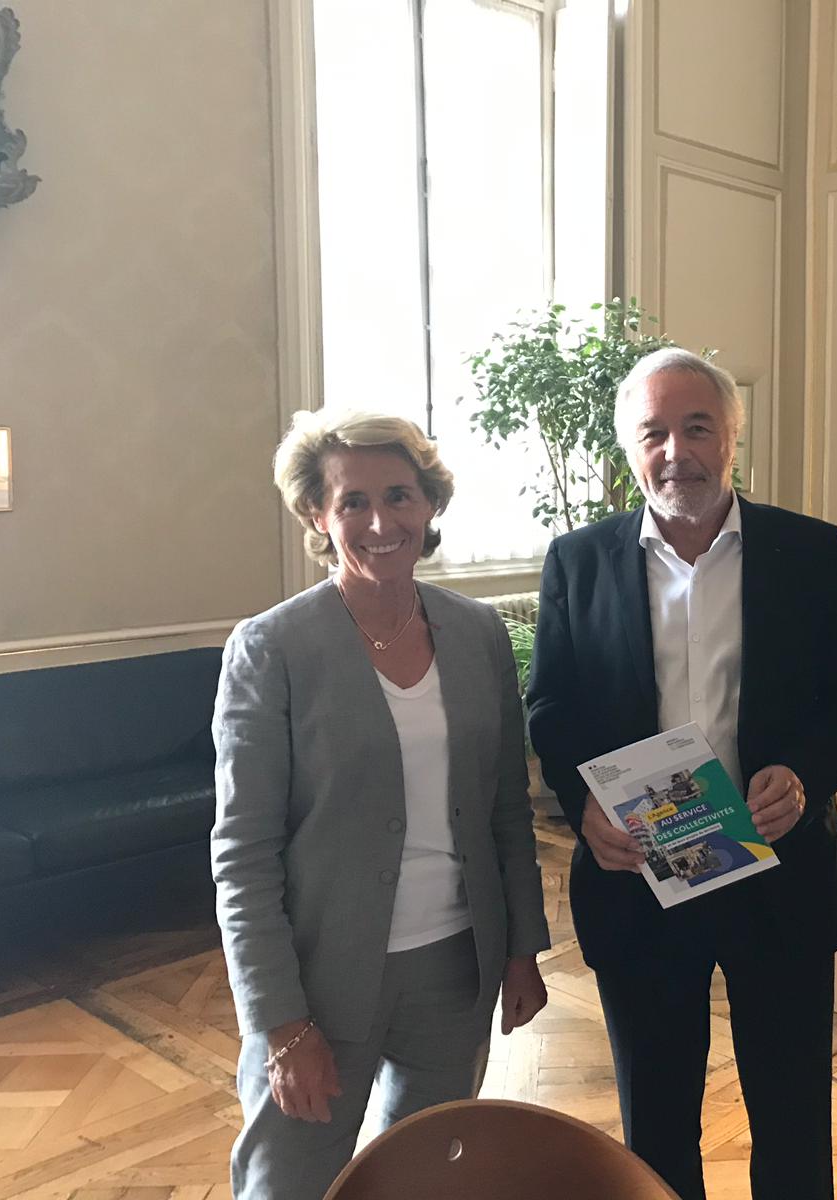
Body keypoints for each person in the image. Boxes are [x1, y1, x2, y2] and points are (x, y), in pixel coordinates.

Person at [526, 348, 837, 1200]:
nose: (676, 451)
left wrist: (804, 775)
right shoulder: (579, 562)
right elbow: (552, 710)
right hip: (637, 877)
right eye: (654, 432)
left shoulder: (808, 551)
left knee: (794, 1119)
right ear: (628, 447)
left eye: (697, 428)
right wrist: (586, 810)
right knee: (655, 1129)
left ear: (732, 438)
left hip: (778, 872)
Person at [212, 410, 551, 1200]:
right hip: (319, 976)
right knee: (286, 1183)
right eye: (352, 502)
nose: (379, 521)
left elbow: (506, 807)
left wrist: (520, 948)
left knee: (427, 1178)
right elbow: (243, 854)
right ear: (316, 516)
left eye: (399, 496)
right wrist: (281, 1023)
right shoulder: (273, 648)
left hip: (455, 967)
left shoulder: (476, 634)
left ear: (429, 505)